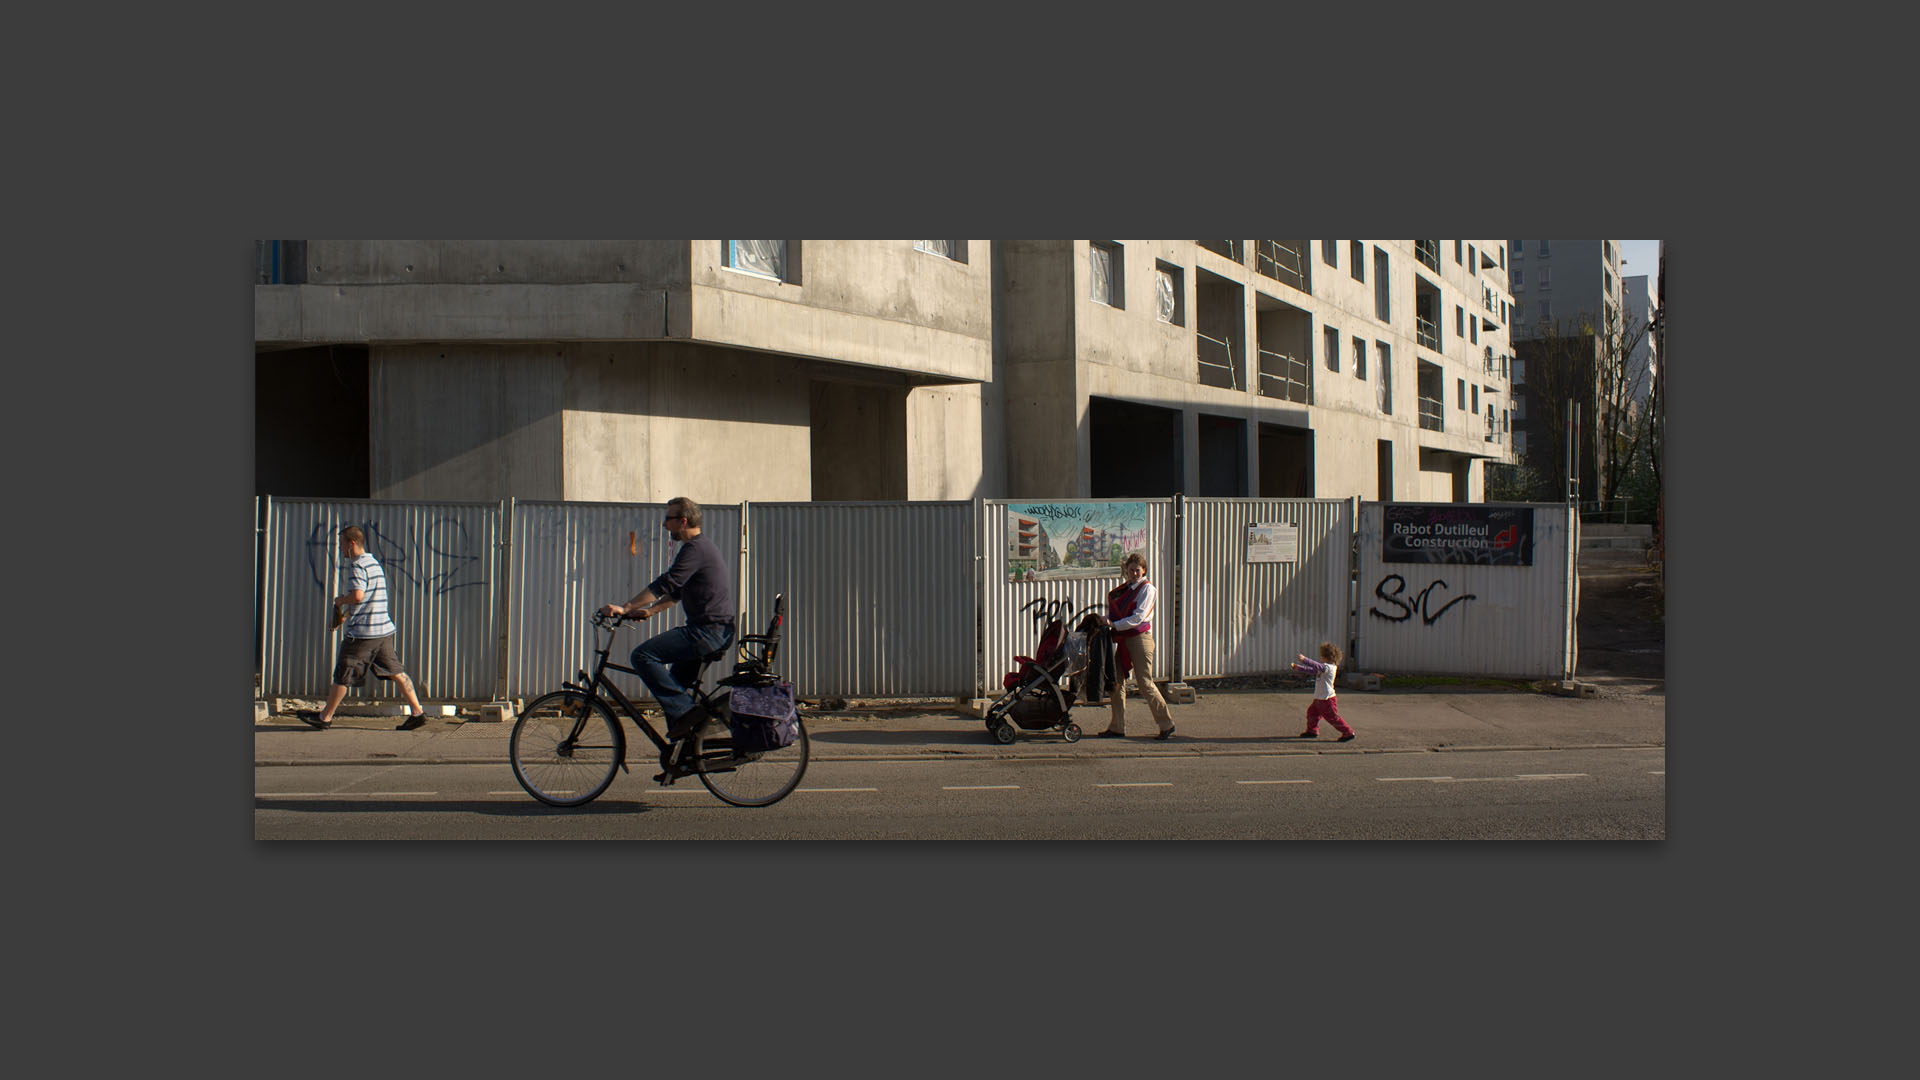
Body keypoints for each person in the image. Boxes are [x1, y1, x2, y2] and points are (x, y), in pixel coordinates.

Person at [599, 497, 736, 741]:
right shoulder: (701, 548)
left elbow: (667, 583)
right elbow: (678, 592)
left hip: (707, 632)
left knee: (642, 656)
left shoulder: (695, 548)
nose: (664, 526)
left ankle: (689, 714)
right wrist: (649, 611)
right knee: (675, 686)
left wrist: (625, 607)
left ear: (682, 522)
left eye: (668, 520)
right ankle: (683, 752)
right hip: (711, 631)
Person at [299, 525, 429, 730]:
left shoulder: (357, 565)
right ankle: (417, 712)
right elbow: (370, 599)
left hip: (363, 633)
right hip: (383, 630)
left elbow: (358, 596)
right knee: (396, 672)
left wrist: (341, 601)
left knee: (343, 672)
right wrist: (347, 615)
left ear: (351, 544)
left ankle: (324, 717)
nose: (340, 548)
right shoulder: (374, 563)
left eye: (342, 544)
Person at [1097, 552, 1176, 740]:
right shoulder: (1126, 589)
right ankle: (1117, 726)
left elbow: (1138, 617)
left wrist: (1113, 625)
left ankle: (1166, 723)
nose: (1133, 573)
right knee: (1116, 683)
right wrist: (1106, 620)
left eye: (1137, 570)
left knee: (1145, 683)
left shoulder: (1148, 589)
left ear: (1144, 570)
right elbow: (1117, 614)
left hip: (1140, 639)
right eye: (1130, 570)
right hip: (1124, 639)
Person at [1292, 642, 1355, 741]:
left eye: (1322, 656)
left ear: (1327, 657)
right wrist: (1299, 668)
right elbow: (1312, 670)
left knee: (1332, 717)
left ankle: (1348, 732)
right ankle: (1312, 731)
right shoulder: (1325, 667)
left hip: (1327, 699)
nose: (1320, 658)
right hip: (1319, 698)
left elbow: (1317, 667)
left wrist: (1305, 660)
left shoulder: (1329, 668)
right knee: (1312, 713)